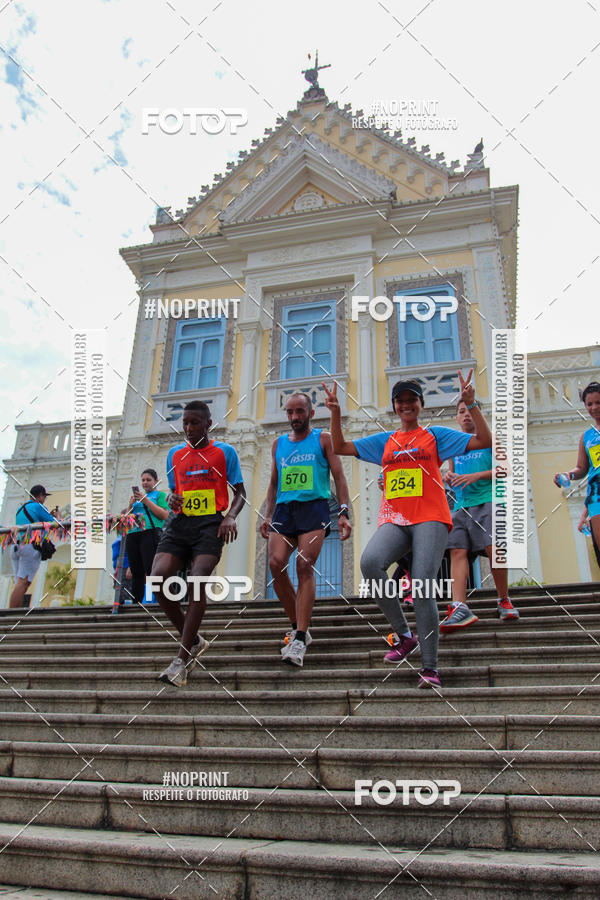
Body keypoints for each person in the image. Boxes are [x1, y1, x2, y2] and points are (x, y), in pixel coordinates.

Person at [323, 371, 492, 689]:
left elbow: (484, 441)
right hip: (396, 518)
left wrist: (471, 405)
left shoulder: (436, 436)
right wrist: (335, 413)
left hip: (430, 516)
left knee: (424, 584)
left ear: (420, 404)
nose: (406, 405)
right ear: (394, 407)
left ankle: (430, 668)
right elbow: (341, 446)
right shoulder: (385, 441)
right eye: (400, 401)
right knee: (370, 563)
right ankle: (403, 634)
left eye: (411, 400)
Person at [150, 400, 246, 687]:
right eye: (186, 424)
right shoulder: (174, 455)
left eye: (195, 423)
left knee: (197, 580)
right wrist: (171, 499)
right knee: (157, 580)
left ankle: (180, 660)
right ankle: (194, 640)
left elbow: (240, 492)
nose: (189, 429)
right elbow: (173, 492)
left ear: (208, 424)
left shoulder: (224, 452)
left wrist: (230, 516)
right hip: (180, 524)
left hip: (210, 524)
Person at [260, 392, 352, 667]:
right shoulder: (278, 444)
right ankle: (297, 624)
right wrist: (267, 514)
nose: (295, 417)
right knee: (276, 563)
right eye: (290, 412)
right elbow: (274, 483)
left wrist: (344, 511)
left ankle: (299, 637)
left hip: (314, 508)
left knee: (304, 564)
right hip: (285, 510)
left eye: (300, 411)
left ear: (311, 413)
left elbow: (339, 475)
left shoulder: (322, 439)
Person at [440, 398, 519, 632]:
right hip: (461, 506)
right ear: (456, 417)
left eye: (470, 411)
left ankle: (503, 598)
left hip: (489, 500)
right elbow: (453, 473)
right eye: (461, 412)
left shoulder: (489, 439)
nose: (466, 415)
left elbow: (506, 468)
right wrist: (448, 476)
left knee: (494, 548)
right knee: (457, 551)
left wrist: (477, 476)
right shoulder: (456, 445)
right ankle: (459, 605)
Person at [555, 380, 600, 552]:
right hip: (596, 494)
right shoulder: (586, 437)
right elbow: (581, 468)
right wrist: (568, 475)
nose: (594, 407)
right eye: (589, 404)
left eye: (598, 402)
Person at [123, 469, 169, 605]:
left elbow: (165, 515)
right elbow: (126, 520)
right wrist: (130, 505)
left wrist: (146, 501)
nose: (145, 482)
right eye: (143, 480)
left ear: (155, 481)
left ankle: (159, 601)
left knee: (151, 569)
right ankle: (137, 602)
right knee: (136, 571)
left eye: (148, 480)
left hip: (149, 533)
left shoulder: (159, 495)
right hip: (133, 534)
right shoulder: (136, 499)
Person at [9, 485, 58, 609]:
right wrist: (57, 515)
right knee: (23, 582)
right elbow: (55, 524)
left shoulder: (21, 508)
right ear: (41, 496)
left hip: (16, 546)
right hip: (29, 546)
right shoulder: (39, 506)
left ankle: (15, 612)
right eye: (44, 497)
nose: (44, 500)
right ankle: (10, 615)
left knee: (21, 583)